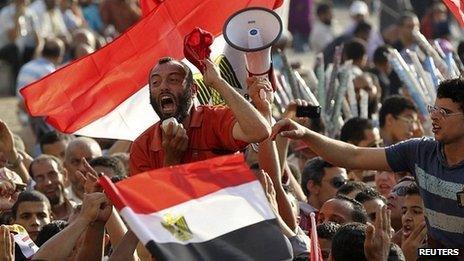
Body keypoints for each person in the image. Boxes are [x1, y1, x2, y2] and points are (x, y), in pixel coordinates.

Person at [270, 77, 464, 249]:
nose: (434, 116)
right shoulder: (420, 151)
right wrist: (306, 134)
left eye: (445, 112)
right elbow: (353, 156)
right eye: (434, 109)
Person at [129, 57, 271, 174]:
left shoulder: (214, 119)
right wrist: (171, 160)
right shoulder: (141, 147)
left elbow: (259, 131)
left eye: (173, 80)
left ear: (193, 90)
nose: (163, 87)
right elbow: (151, 206)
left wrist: (218, 82)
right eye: (155, 83)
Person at [29, 155, 74, 220]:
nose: (48, 183)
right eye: (40, 178)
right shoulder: (34, 222)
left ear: (64, 175)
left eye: (52, 174)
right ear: (34, 185)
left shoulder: (81, 210)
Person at [340, 117, 381, 183]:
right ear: (351, 146)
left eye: (380, 144)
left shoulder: (381, 175)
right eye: (373, 146)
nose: (379, 150)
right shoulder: (336, 176)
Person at [64, 137, 102, 204]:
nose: (82, 168)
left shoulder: (115, 198)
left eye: (89, 161)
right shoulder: (59, 203)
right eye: (75, 162)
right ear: (65, 166)